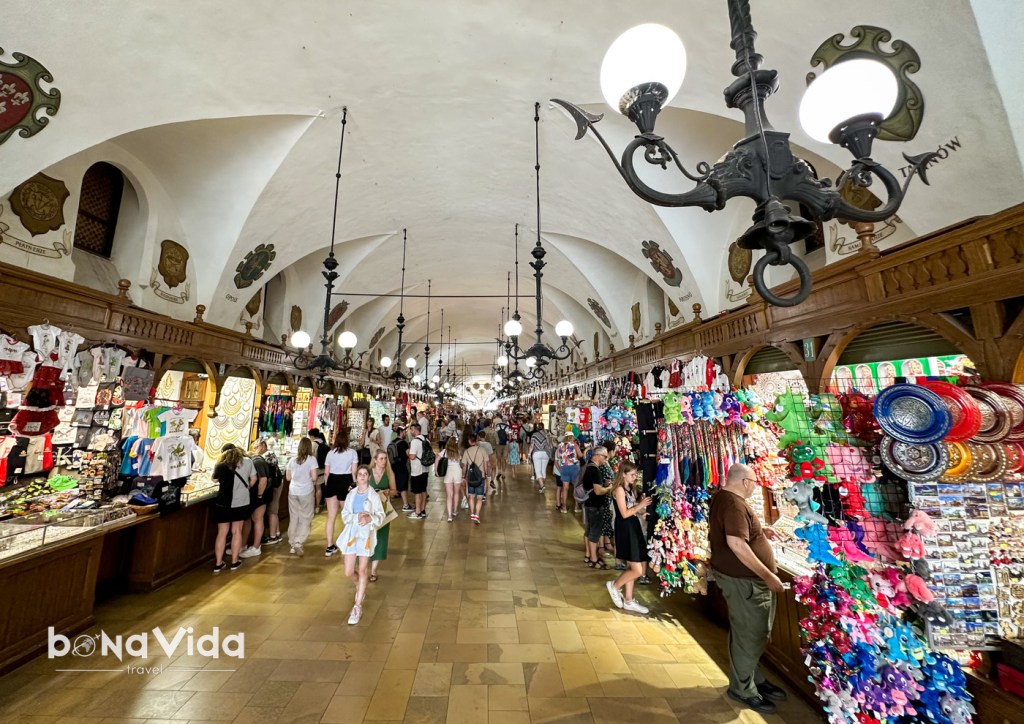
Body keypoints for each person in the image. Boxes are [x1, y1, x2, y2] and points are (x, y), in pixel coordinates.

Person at [709, 463, 787, 715]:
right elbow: (736, 544)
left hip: (741, 580)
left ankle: (753, 678)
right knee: (750, 634)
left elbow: (737, 534)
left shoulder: (724, 498)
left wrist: (759, 533)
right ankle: (742, 688)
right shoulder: (734, 504)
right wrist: (767, 575)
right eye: (754, 482)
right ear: (744, 482)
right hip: (745, 582)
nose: (755, 487)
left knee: (748, 633)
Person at [338, 465, 386, 625]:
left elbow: (381, 515)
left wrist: (369, 518)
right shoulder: (351, 495)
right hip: (351, 534)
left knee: (363, 569)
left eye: (365, 474)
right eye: (360, 474)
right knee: (348, 571)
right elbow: (345, 515)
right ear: (356, 477)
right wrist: (356, 516)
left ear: (368, 477)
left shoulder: (373, 495)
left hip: (366, 535)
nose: (363, 476)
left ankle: (357, 606)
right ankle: (359, 584)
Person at [605, 462, 653, 615]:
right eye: (632, 474)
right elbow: (624, 513)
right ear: (623, 474)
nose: (634, 477)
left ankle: (629, 599)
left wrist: (640, 513)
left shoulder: (629, 489)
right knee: (638, 570)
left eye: (635, 474)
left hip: (633, 526)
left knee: (632, 566)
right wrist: (640, 505)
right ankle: (614, 586)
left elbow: (630, 510)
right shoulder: (619, 490)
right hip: (626, 529)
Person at [211, 444, 256, 572]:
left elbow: (214, 479)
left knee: (222, 533)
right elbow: (254, 478)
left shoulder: (220, 465)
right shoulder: (247, 462)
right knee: (237, 531)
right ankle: (234, 562)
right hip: (241, 501)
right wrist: (246, 488)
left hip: (223, 502)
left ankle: (218, 564)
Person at [323, 428, 359, 556]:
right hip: (346, 481)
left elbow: (326, 472)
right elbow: (354, 472)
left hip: (332, 481)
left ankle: (329, 546)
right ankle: (349, 543)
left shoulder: (330, 453)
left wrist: (327, 485)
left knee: (331, 517)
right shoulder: (352, 453)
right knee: (348, 515)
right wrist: (355, 485)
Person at [286, 437, 319, 556]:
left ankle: (292, 543)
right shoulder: (311, 460)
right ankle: (298, 542)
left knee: (294, 517)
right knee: (306, 517)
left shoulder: (292, 460)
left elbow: (288, 478)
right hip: (306, 491)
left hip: (293, 491)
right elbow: (314, 477)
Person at [239, 440, 272, 560]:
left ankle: (256, 547)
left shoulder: (257, 462)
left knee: (257, 519)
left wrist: (259, 495)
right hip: (257, 496)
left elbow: (263, 479)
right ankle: (243, 545)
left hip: (260, 496)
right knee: (250, 519)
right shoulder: (257, 461)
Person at [581, 446, 612, 569]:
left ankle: (588, 555)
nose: (606, 459)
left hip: (589, 503)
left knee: (589, 531)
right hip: (595, 505)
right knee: (594, 533)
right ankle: (594, 559)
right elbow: (598, 491)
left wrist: (603, 483)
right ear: (598, 455)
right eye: (605, 457)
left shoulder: (589, 466)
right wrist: (609, 488)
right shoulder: (595, 470)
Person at [368, 450, 395, 580]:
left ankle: (374, 570)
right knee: (367, 536)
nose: (384, 461)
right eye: (381, 459)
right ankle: (364, 563)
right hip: (368, 510)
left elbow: (395, 490)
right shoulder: (368, 473)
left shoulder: (389, 473)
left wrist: (389, 492)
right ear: (375, 460)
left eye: (385, 458)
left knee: (381, 539)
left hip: (383, 510)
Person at [461, 434, 489, 524]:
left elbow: (464, 466)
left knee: (471, 496)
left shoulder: (466, 452)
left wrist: (463, 476)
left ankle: (472, 513)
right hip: (481, 476)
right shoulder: (482, 450)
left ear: (469, 441)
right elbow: (486, 464)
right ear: (476, 440)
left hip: (470, 477)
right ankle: (477, 514)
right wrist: (486, 475)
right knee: (480, 497)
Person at [554, 433, 582, 514]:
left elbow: (558, 456)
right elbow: (580, 455)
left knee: (565, 488)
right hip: (574, 468)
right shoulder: (574, 445)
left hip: (564, 468)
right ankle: (576, 507)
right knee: (576, 487)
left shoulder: (560, 445)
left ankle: (564, 508)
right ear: (572, 437)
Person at [407, 423, 429, 519]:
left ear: (415, 430)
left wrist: (407, 453)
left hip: (417, 470)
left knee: (417, 492)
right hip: (425, 469)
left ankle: (417, 512)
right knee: (423, 490)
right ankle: (423, 510)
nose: (410, 432)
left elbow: (412, 456)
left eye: (411, 430)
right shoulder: (426, 440)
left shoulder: (415, 441)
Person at [390, 425, 412, 512]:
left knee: (394, 484)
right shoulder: (403, 443)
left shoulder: (392, 442)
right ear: (401, 432)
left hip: (393, 466)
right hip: (402, 466)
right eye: (404, 432)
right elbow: (408, 454)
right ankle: (406, 505)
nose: (405, 433)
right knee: (403, 486)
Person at [527, 422, 553, 494]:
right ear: (543, 427)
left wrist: (529, 454)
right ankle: (542, 485)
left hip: (537, 453)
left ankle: (542, 486)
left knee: (538, 471)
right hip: (546, 454)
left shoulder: (534, 435)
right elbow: (550, 445)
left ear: (537, 428)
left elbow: (532, 445)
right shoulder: (547, 435)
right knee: (543, 470)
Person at [440, 437, 462, 522]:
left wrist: (437, 471)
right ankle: (455, 511)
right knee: (456, 493)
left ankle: (449, 516)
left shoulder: (445, 451)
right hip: (457, 471)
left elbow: (437, 459)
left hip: (448, 472)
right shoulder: (458, 452)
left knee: (449, 495)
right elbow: (462, 462)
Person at [493, 415, 511, 484]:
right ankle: (503, 473)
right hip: (505, 444)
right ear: (506, 420)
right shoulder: (508, 427)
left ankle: (499, 471)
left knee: (498, 459)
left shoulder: (498, 426)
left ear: (502, 419)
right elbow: (509, 437)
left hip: (498, 444)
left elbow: (495, 434)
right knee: (504, 459)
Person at [482, 421, 500, 490]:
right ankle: (492, 481)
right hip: (492, 451)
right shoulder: (494, 432)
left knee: (483, 467)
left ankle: (484, 481)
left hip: (483, 451)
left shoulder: (481, 432)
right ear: (490, 424)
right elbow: (497, 442)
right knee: (493, 467)